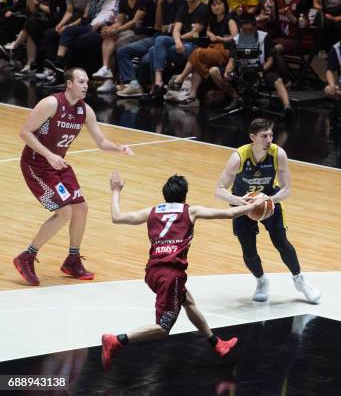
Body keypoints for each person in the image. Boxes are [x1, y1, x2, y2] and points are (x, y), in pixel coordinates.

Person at [100, 171, 265, 370]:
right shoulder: (190, 211)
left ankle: (216, 343)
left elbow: (117, 217)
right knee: (163, 328)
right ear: (185, 195)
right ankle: (117, 340)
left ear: (165, 194)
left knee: (188, 301)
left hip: (153, 272)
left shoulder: (152, 211)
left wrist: (116, 191)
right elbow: (229, 214)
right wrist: (252, 206)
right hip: (171, 275)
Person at [12, 67, 134, 286]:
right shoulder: (51, 104)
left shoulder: (85, 111)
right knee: (64, 211)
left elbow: (102, 142)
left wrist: (120, 148)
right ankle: (26, 257)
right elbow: (25, 132)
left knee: (81, 208)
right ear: (69, 83)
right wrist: (49, 155)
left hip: (58, 165)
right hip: (36, 164)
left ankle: (72, 260)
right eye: (81, 81)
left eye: (87, 82)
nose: (86, 85)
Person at [215, 118, 321, 304]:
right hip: (242, 204)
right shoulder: (238, 157)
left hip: (269, 201)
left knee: (281, 242)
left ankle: (299, 280)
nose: (269, 139)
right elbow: (219, 190)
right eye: (264, 136)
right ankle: (261, 281)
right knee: (249, 252)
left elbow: (287, 189)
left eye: (271, 135)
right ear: (252, 137)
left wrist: (267, 200)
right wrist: (239, 201)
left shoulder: (278, 154)